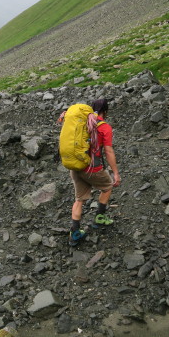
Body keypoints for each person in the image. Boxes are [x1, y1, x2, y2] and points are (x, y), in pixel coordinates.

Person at [68, 98, 121, 246]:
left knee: (79, 199)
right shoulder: (105, 127)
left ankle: (75, 233)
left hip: (76, 166)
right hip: (93, 168)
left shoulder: (82, 122)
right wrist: (115, 173)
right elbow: (109, 151)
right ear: (106, 111)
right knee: (108, 186)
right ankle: (99, 217)